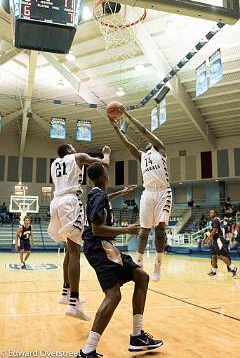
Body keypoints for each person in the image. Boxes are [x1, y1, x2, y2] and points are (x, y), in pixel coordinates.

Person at [78, 163, 163, 358]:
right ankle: (87, 350)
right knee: (113, 295)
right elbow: (97, 229)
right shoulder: (98, 196)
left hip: (104, 247)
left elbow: (105, 200)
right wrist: (127, 229)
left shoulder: (96, 194)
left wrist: (121, 192)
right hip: (99, 247)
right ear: (104, 175)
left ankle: (137, 336)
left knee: (141, 276)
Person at [48, 143, 111, 320]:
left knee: (70, 249)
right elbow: (102, 164)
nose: (75, 149)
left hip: (56, 203)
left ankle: (66, 292)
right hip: (69, 202)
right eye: (72, 147)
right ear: (68, 150)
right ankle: (74, 303)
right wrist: (106, 154)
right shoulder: (77, 157)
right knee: (75, 251)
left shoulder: (54, 164)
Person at [110, 107, 172, 281]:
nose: (146, 142)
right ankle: (139, 262)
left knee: (160, 230)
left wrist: (127, 115)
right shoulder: (142, 156)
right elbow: (127, 144)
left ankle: (158, 263)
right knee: (143, 231)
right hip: (148, 193)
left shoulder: (160, 148)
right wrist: (116, 128)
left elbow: (143, 131)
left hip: (163, 192)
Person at [203, 209, 239, 278]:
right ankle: (214, 272)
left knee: (221, 256)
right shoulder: (213, 221)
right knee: (213, 256)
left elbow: (214, 231)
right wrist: (209, 238)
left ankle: (234, 269)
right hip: (215, 240)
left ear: (215, 213)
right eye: (210, 212)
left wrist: (208, 239)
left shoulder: (215, 220)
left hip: (218, 240)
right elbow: (212, 232)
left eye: (212, 212)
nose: (210, 213)